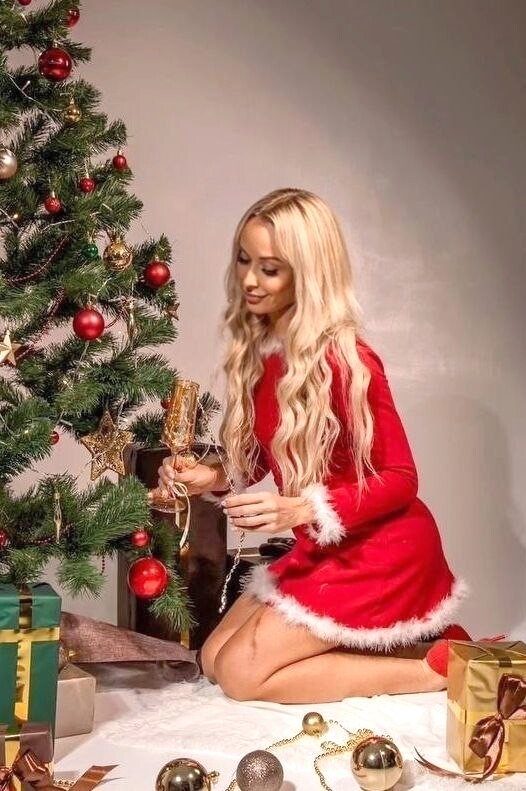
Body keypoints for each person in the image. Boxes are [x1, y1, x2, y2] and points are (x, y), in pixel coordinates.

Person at [152, 188, 471, 704]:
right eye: (244, 260)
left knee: (240, 676)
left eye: (270, 269)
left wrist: (301, 508)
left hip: (379, 554)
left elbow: (402, 478)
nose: (249, 280)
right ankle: (398, 651)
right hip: (323, 551)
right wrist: (207, 477)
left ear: (307, 274)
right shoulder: (265, 356)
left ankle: (437, 671)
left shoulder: (349, 361)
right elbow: (262, 455)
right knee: (213, 659)